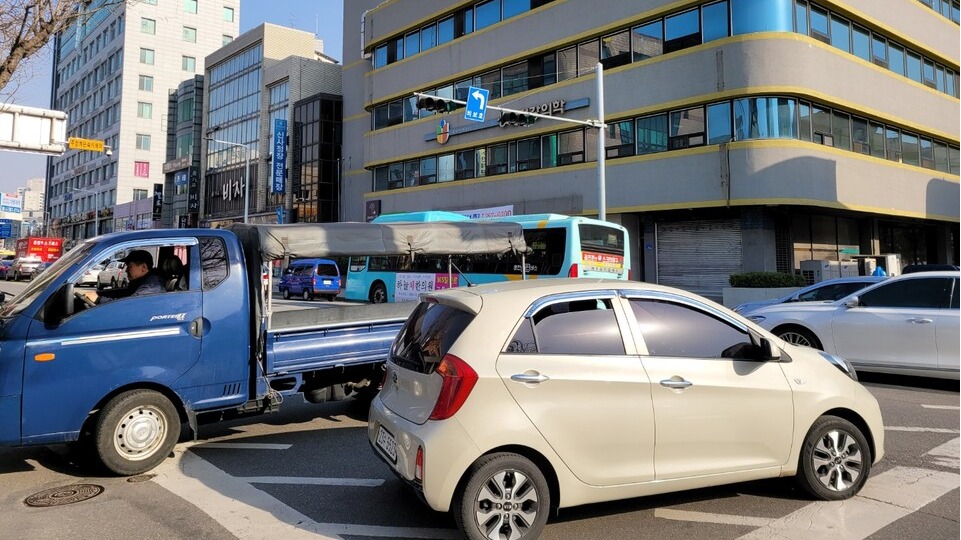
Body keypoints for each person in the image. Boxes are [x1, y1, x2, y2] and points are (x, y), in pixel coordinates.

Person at [83, 250, 166, 305]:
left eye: (129, 266)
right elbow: (123, 293)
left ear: (143, 267)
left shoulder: (151, 286)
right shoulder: (140, 283)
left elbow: (129, 304)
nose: (126, 270)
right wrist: (99, 294)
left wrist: (98, 299)